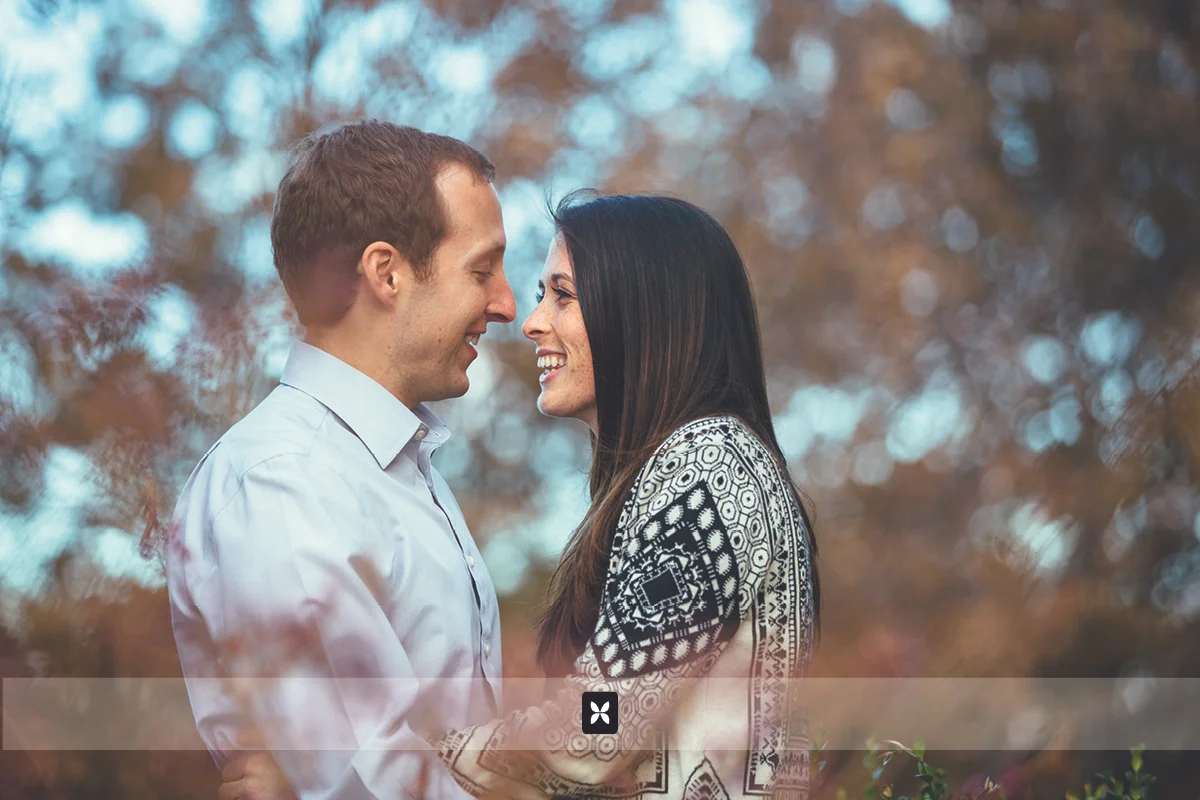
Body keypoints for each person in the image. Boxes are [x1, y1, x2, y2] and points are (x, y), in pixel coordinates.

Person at [220, 193, 820, 800]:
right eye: (542, 294)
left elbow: (595, 726)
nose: (533, 321)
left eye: (562, 294)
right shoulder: (706, 465)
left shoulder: (706, 468)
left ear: (643, 310)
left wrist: (340, 767)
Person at [166, 119, 517, 799]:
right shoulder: (282, 481)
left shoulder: (395, 469)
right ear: (386, 273)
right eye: (481, 270)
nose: (504, 304)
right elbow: (366, 777)